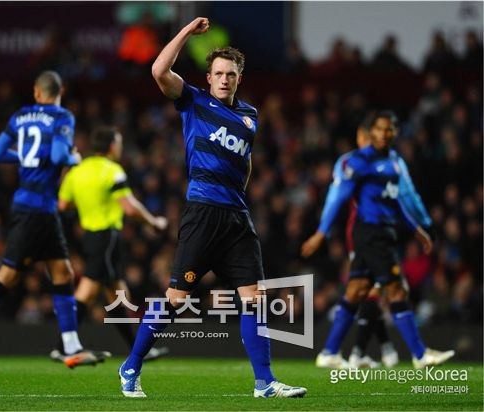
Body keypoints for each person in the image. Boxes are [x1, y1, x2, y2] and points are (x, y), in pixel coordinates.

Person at [118, 17, 306, 398]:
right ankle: (131, 367)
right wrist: (187, 33)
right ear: (208, 78)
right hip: (202, 213)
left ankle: (264, 382)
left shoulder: (250, 116)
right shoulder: (192, 100)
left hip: (236, 218)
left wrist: (240, 195)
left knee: (255, 298)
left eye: (230, 74)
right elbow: (158, 70)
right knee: (175, 300)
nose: (223, 79)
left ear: (239, 78)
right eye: (218, 73)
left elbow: (246, 162)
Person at [0, 71, 98, 370]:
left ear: (37, 93)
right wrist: (74, 159)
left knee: (62, 272)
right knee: (7, 277)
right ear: (59, 90)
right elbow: (63, 154)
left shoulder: (21, 115)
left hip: (33, 205)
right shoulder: (63, 117)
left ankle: (71, 345)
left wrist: (26, 156)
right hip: (36, 209)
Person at [301, 110, 454, 369]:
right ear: (370, 132)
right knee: (397, 289)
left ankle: (329, 352)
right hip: (370, 233)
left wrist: (418, 230)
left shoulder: (394, 161)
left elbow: (394, 202)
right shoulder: (358, 162)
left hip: (385, 231)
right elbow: (338, 197)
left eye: (391, 129)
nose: (385, 133)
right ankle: (419, 354)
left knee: (357, 290)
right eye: (381, 129)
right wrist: (321, 232)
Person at [51, 126, 169, 363]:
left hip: (91, 237)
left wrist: (88, 204)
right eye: (119, 143)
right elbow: (128, 206)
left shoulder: (77, 171)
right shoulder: (112, 170)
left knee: (117, 295)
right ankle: (62, 346)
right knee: (88, 291)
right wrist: (153, 222)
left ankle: (139, 350)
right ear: (112, 146)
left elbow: (63, 206)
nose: (121, 147)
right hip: (105, 237)